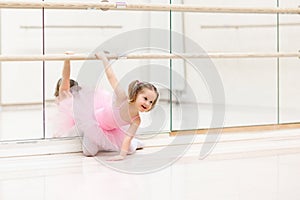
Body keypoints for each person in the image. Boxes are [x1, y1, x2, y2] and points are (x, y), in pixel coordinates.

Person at [53, 51, 159, 161]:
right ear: (136, 94)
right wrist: (104, 59)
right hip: (94, 122)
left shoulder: (136, 120)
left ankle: (135, 143)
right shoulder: (122, 98)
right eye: (145, 99)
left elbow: (128, 137)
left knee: (130, 149)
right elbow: (112, 78)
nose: (147, 103)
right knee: (88, 152)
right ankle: (100, 143)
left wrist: (121, 155)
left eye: (151, 102)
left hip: (112, 129)